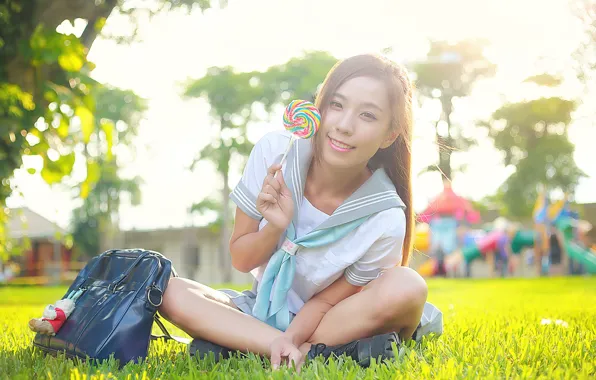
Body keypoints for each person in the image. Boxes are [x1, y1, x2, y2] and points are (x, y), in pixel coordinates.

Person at [159, 53, 442, 371]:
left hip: (331, 319)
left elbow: (326, 302)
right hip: (260, 310)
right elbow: (242, 259)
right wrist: (274, 227)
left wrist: (292, 335)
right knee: (171, 292)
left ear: (389, 135)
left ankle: (247, 344)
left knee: (408, 286)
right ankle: (295, 350)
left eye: (367, 116)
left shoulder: (385, 216)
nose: (344, 126)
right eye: (336, 105)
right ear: (319, 108)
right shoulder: (275, 153)